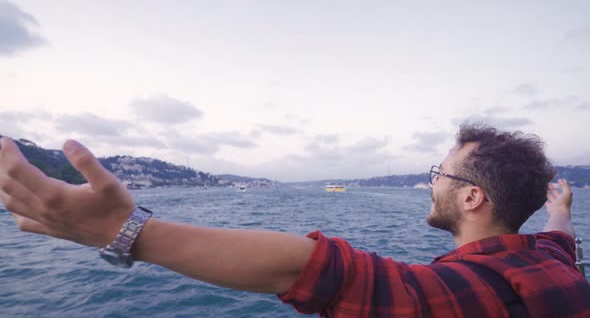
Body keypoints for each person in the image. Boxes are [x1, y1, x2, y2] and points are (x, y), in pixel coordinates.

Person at [0, 122, 589, 317]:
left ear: (471, 200)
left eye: (443, 173)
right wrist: (559, 210)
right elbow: (559, 236)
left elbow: (315, 267)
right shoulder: (555, 262)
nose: (432, 180)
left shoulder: (450, 295)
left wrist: (121, 232)